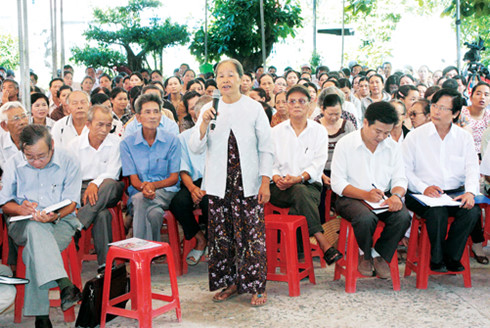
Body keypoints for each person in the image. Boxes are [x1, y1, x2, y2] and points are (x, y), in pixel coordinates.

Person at [189, 58, 273, 307]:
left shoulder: (254, 108)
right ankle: (232, 283)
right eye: (220, 75)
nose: (225, 79)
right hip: (219, 185)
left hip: (248, 183)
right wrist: (203, 124)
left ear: (241, 79)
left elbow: (266, 148)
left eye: (230, 75)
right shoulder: (209, 110)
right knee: (222, 237)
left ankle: (257, 285)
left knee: (251, 236)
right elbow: (195, 147)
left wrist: (265, 182)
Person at [0, 125, 82, 328]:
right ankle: (65, 284)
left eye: (42, 157)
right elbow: (4, 204)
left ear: (52, 146)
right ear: (22, 151)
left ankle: (41, 318)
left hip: (62, 220)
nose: (36, 162)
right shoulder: (13, 164)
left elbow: (72, 202)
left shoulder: (69, 160)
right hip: (23, 223)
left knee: (33, 250)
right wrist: (20, 209)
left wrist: (55, 216)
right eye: (30, 157)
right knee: (35, 228)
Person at [403, 88, 481, 273]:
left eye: (444, 108)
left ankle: (451, 255)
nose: (437, 111)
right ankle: (436, 258)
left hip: (454, 192)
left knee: (472, 211)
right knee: (436, 212)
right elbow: (405, 170)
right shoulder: (415, 136)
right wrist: (423, 188)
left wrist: (470, 192)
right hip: (421, 194)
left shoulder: (464, 138)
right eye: (435, 106)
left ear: (455, 113)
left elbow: (472, 168)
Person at [331, 101, 411, 278]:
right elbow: (337, 183)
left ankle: (379, 255)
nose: (382, 137)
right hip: (351, 197)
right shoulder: (346, 144)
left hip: (382, 198)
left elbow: (400, 178)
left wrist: (396, 196)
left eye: (387, 133)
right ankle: (364, 254)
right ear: (366, 122)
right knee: (365, 218)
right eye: (378, 131)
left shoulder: (393, 147)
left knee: (403, 217)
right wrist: (364, 194)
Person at [270, 85, 343, 266]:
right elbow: (269, 162)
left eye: (301, 101)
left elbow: (318, 163)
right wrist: (277, 177)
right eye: (292, 101)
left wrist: (299, 177)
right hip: (279, 187)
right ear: (286, 105)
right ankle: (323, 242)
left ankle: (298, 252)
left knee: (300, 192)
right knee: (299, 193)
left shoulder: (319, 131)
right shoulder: (275, 132)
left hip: (309, 185)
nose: (297, 105)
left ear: (309, 105)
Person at [120, 93, 181, 242]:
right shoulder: (127, 144)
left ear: (161, 116)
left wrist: (152, 186)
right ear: (138, 117)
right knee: (154, 214)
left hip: (166, 192)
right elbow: (133, 179)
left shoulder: (172, 141)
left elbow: (173, 178)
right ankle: (152, 250)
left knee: (141, 200)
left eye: (156, 112)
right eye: (147, 112)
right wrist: (145, 188)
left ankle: (138, 251)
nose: (152, 116)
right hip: (139, 191)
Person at [70, 105, 123, 270]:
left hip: (108, 187)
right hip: (81, 187)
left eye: (109, 125)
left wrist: (95, 184)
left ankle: (77, 226)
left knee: (109, 184)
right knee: (102, 214)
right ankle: (105, 264)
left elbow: (113, 173)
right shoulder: (74, 145)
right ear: (88, 124)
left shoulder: (116, 143)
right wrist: (88, 187)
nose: (105, 129)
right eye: (100, 124)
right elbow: (71, 176)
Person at [169, 95, 212, 266]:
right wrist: (193, 189)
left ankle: (213, 240)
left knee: (211, 202)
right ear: (195, 117)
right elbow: (183, 168)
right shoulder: (184, 137)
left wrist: (206, 188)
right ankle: (200, 238)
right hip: (192, 181)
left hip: (214, 183)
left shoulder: (220, 136)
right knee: (177, 203)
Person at [458, 82, 490, 155]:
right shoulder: (461, 113)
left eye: (486, 95)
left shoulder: (489, 116)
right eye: (478, 94)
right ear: (471, 97)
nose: (482, 97)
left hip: (484, 156)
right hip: (463, 153)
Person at [0, 101, 29, 169]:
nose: (22, 122)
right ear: (4, 125)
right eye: (16, 118)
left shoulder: (38, 138)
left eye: (24, 116)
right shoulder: (1, 142)